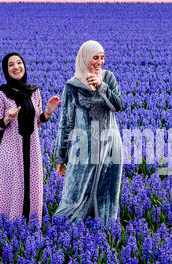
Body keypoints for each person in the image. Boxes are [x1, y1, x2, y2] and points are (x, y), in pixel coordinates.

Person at [53, 40, 123, 226]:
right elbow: (66, 123)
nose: (99, 62)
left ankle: (104, 233)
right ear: (84, 59)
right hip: (85, 146)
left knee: (107, 193)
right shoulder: (72, 86)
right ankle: (66, 233)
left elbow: (118, 106)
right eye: (95, 58)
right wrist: (60, 157)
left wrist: (101, 87)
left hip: (110, 144)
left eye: (102, 58)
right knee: (74, 194)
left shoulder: (108, 78)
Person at [0, 52, 60, 226]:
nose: (16, 67)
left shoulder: (34, 90)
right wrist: (8, 118)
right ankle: (9, 226)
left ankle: (32, 224)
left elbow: (37, 120)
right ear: (6, 70)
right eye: (11, 65)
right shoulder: (1, 93)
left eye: (19, 63)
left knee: (32, 184)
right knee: (13, 187)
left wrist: (48, 112)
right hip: (10, 150)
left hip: (32, 148)